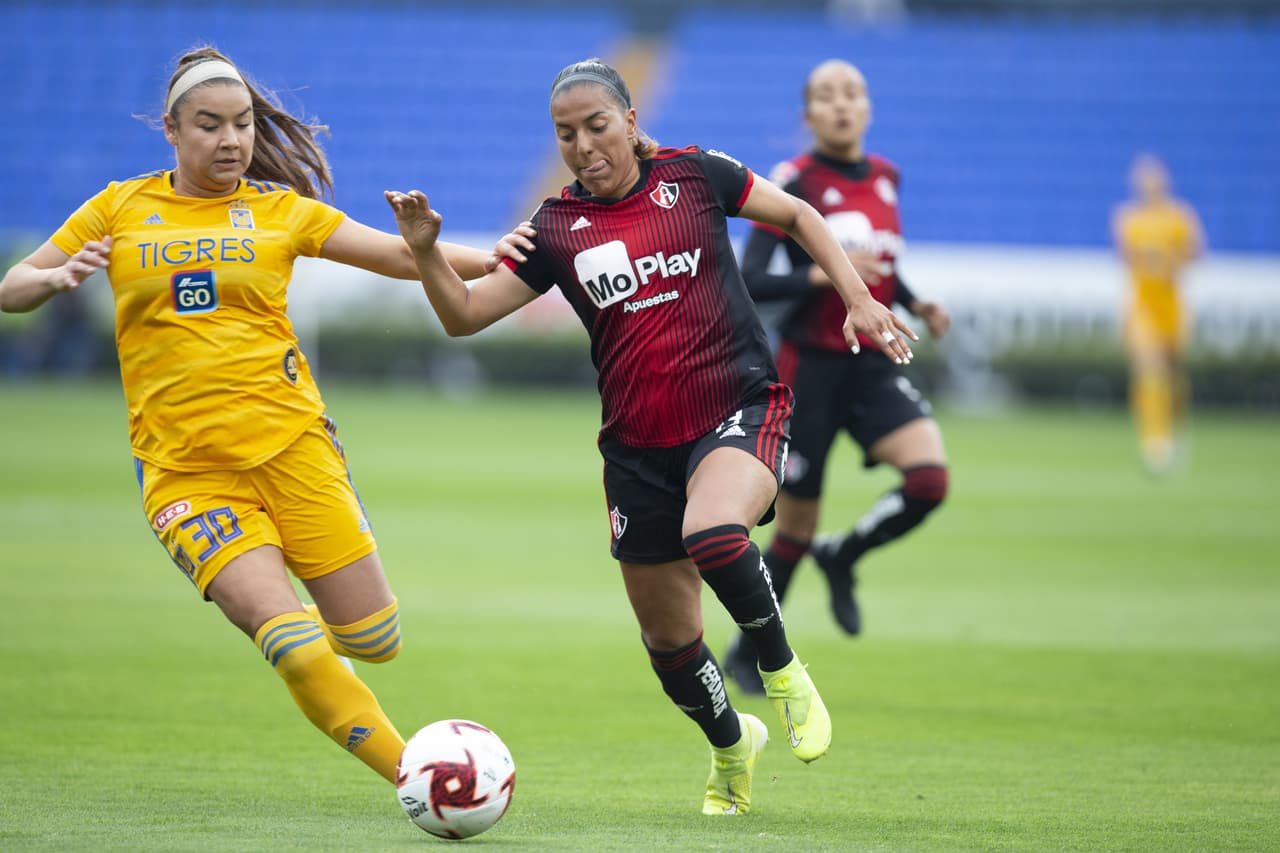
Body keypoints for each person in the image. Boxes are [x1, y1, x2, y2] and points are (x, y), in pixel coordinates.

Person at [384, 57, 917, 817]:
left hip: (738, 406)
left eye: (596, 125)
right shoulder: (556, 227)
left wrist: (858, 298)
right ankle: (733, 744)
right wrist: (427, 248)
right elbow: (464, 315)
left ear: (630, 123)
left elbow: (797, 214)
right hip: (637, 449)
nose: (582, 145)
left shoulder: (696, 176)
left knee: (714, 531)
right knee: (669, 643)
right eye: (565, 134)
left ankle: (783, 668)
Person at [0, 46, 526, 785]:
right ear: (172, 131)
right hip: (189, 476)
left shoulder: (280, 211)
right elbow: (11, 286)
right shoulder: (119, 206)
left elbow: (405, 260)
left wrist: (506, 261)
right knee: (296, 645)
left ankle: (305, 613)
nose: (230, 140)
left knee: (374, 638)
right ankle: (423, 779)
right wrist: (52, 276)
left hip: (295, 450)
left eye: (241, 124)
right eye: (209, 125)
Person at [722, 60, 950, 694]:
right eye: (826, 96)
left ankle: (844, 553)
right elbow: (752, 277)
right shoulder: (793, 184)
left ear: (868, 108)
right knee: (791, 530)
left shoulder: (885, 178)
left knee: (930, 481)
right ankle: (747, 653)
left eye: (852, 94)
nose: (841, 105)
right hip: (810, 371)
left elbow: (880, 267)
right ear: (809, 115)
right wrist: (820, 275)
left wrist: (914, 301)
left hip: (873, 362)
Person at [1112, 153, 1204, 474]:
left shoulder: (1180, 217)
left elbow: (1195, 254)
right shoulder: (1128, 219)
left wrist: (1167, 260)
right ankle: (1154, 440)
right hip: (1142, 306)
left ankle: (1175, 430)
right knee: (1148, 369)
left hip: (1172, 306)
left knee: (1174, 375)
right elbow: (1126, 258)